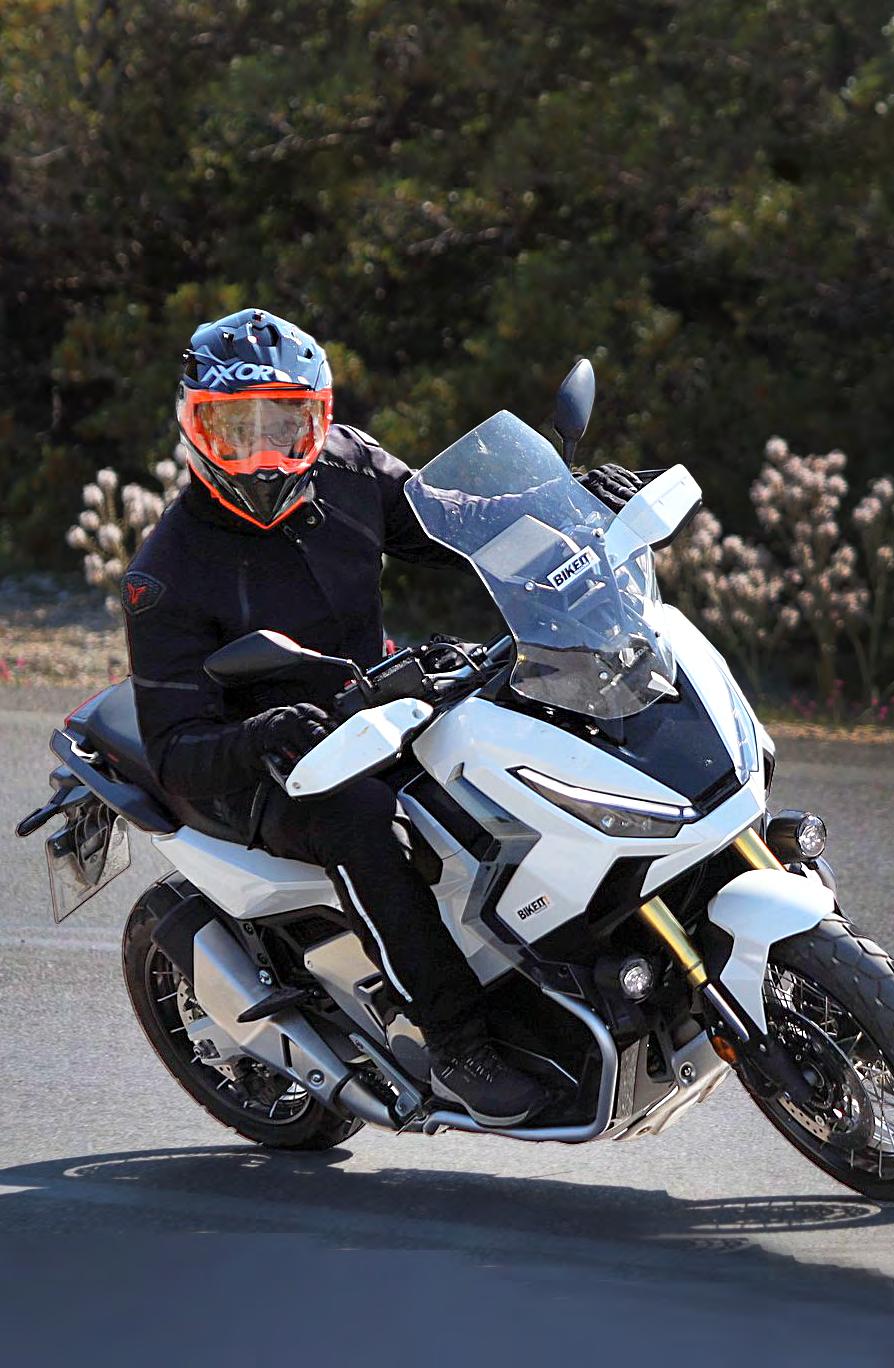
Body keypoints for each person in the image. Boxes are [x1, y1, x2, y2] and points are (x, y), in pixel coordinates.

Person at [122, 306, 641, 1126]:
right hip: (262, 764)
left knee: (518, 725)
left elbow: (459, 524)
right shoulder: (167, 573)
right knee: (358, 818)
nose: (263, 454)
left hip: (372, 706)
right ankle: (457, 1041)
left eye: (284, 424)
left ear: (319, 418)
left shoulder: (349, 468)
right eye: (235, 429)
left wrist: (574, 503)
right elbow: (175, 750)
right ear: (194, 426)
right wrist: (263, 734)